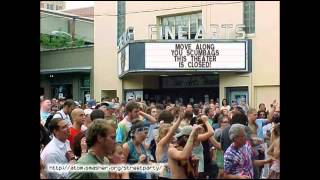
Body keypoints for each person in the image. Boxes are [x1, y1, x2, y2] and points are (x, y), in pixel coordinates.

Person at [156, 110, 183, 179]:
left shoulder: (171, 145)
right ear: (165, 135)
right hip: (163, 176)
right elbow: (171, 132)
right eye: (172, 134)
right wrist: (179, 120)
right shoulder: (160, 145)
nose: (174, 135)